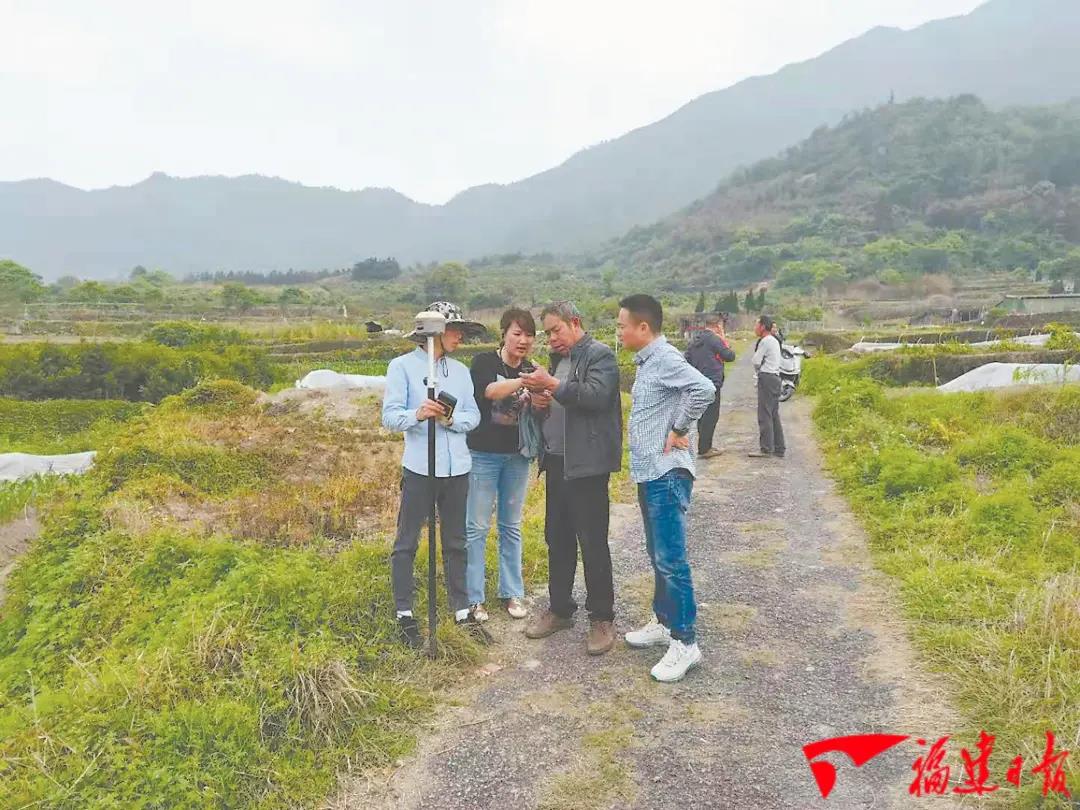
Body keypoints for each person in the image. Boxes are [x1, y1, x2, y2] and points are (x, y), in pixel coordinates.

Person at [617, 294, 715, 683]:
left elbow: (704, 389)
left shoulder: (666, 358)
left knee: (671, 558)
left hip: (666, 472)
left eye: (622, 325)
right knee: (657, 554)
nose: (619, 331)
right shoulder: (647, 362)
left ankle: (685, 642)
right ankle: (663, 621)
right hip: (649, 472)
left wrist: (678, 428)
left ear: (643, 328)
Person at [518, 301, 622, 656]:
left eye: (554, 330)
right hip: (558, 462)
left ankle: (602, 618)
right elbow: (558, 399)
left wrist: (553, 385)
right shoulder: (556, 361)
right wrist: (540, 401)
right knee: (557, 539)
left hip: (588, 467)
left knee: (592, 542)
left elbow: (596, 396)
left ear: (574, 322)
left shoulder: (599, 355)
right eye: (546, 333)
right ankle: (560, 609)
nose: (551, 338)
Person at [381, 301, 486, 648]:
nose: (460, 337)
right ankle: (404, 614)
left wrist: (451, 421)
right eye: (454, 330)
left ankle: (461, 610)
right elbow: (390, 416)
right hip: (420, 469)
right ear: (435, 333)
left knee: (456, 541)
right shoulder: (402, 367)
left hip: (457, 468)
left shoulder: (460, 371)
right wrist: (418, 413)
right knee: (407, 542)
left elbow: (474, 416)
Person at [465, 308, 538, 623]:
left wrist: (542, 393)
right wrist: (526, 380)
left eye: (529, 335)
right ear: (504, 334)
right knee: (477, 527)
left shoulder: (534, 368)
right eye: (517, 333)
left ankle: (511, 592)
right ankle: (473, 598)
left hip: (517, 457)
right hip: (482, 455)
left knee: (511, 525)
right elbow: (489, 391)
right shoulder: (484, 363)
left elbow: (540, 409)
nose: (523, 340)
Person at [684, 313, 736, 459]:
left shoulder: (696, 339)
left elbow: (687, 359)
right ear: (717, 325)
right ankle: (705, 448)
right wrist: (723, 338)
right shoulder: (714, 339)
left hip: (698, 381)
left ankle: (703, 445)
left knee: (702, 414)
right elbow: (729, 356)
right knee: (711, 415)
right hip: (712, 381)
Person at [750, 314, 785, 459]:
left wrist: (759, 368)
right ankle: (779, 447)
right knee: (773, 414)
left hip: (767, 377)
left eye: (756, 325)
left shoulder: (765, 341)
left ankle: (766, 448)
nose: (755, 328)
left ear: (763, 326)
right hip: (775, 377)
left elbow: (756, 361)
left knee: (764, 414)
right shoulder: (774, 340)